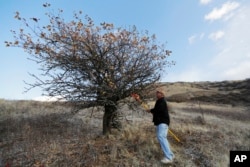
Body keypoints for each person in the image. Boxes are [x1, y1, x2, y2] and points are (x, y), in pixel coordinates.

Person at [146, 88, 174, 164]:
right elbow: (157, 110)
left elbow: (158, 110)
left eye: (158, 93)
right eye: (156, 92)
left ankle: (168, 157)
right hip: (160, 122)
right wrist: (151, 111)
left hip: (163, 122)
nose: (156, 94)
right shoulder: (159, 101)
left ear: (162, 94)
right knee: (161, 137)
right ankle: (170, 154)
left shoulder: (162, 101)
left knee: (161, 137)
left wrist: (151, 110)